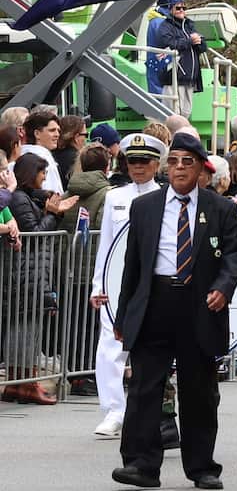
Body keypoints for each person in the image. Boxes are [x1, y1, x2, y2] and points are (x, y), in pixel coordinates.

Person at [110, 133, 237, 489]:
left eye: (188, 162)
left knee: (199, 389)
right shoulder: (146, 207)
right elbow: (132, 267)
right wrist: (124, 316)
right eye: (174, 161)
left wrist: (223, 287)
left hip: (199, 303)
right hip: (156, 301)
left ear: (202, 169)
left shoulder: (221, 209)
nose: (180, 168)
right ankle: (142, 464)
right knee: (144, 386)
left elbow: (235, 254)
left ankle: (201, 466)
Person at [89, 133, 166, 437]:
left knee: (152, 348)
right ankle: (114, 410)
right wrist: (98, 284)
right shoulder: (114, 197)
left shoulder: (166, 195)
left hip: (153, 283)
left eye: (144, 161)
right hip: (118, 282)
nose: (137, 167)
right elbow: (105, 245)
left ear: (156, 163)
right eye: (132, 161)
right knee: (110, 346)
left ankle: (153, 411)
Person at [3, 153, 77, 404]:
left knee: (26, 327)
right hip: (26, 273)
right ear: (30, 173)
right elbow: (34, 232)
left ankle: (20, 382)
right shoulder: (19, 199)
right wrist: (54, 215)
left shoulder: (24, 197)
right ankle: (25, 383)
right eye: (42, 172)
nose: (45, 177)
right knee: (26, 328)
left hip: (30, 272)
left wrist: (50, 206)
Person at [151, 0, 207, 117]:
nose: (181, 10)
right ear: (170, 9)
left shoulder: (189, 25)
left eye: (183, 7)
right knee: (171, 115)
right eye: (178, 7)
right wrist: (189, 41)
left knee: (186, 114)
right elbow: (169, 44)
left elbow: (203, 48)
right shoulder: (165, 26)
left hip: (190, 78)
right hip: (173, 78)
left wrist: (200, 42)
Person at [60, 143, 112, 231]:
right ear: (107, 167)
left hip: (67, 244)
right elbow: (102, 227)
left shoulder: (65, 196)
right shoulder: (108, 195)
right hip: (95, 244)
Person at [21, 110, 64, 195]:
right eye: (52, 130)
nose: (57, 134)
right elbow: (53, 195)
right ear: (37, 134)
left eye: (58, 131)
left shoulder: (18, 155)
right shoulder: (44, 158)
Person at [53, 114, 87, 187]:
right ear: (76, 137)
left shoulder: (52, 154)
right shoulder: (77, 158)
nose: (86, 139)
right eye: (85, 135)